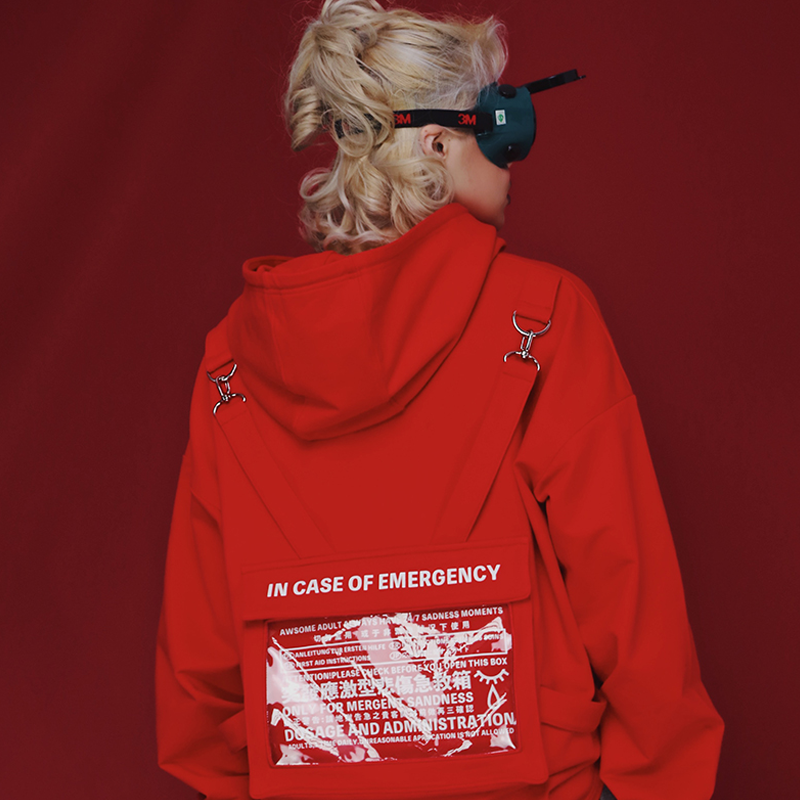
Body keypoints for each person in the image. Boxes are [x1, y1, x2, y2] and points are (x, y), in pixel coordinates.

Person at [156, 2, 724, 799]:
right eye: (501, 127)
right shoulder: (543, 319)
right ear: (437, 143)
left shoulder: (231, 365)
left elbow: (200, 668)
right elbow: (630, 597)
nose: (513, 159)